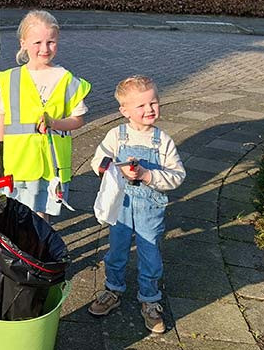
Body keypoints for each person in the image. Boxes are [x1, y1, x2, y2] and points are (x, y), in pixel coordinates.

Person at [87, 76, 186, 333]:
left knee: (150, 253)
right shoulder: (116, 135)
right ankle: (113, 289)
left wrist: (147, 175)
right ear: (124, 111)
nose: (149, 110)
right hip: (120, 205)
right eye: (140, 106)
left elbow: (177, 175)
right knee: (116, 251)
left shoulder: (162, 141)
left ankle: (150, 299)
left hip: (150, 208)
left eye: (153, 102)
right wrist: (114, 169)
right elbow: (98, 160)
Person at [0, 11, 90, 220]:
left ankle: (38, 251)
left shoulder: (66, 79)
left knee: (40, 215)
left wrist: (54, 123)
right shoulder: (10, 79)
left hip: (50, 164)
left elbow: (78, 119)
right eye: (37, 42)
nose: (44, 49)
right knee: (15, 214)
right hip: (17, 162)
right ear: (23, 43)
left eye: (51, 42)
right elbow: (2, 120)